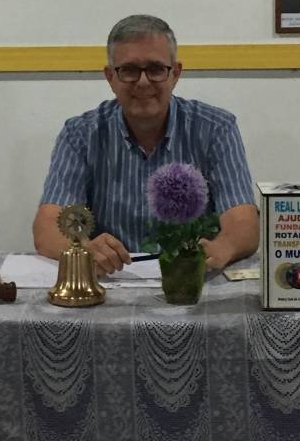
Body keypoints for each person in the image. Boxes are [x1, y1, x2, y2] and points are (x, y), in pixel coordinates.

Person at [33, 14, 259, 275]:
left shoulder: (216, 128)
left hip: (193, 280)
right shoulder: (80, 134)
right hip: (110, 282)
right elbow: (47, 227)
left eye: (155, 69)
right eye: (129, 70)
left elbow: (244, 221)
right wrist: (83, 250)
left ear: (175, 74)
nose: (142, 82)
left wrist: (223, 247)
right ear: (110, 77)